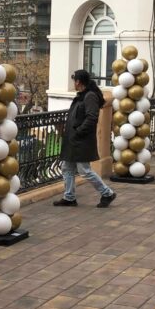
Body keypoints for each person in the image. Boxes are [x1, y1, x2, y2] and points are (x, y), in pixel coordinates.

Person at [53, 69, 117, 208]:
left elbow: (92, 117)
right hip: (74, 139)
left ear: (78, 82)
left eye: (74, 81)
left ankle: (107, 193)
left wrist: (78, 132)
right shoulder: (83, 95)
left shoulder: (90, 96)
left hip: (81, 140)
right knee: (67, 167)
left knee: (84, 170)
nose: (73, 84)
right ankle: (69, 197)